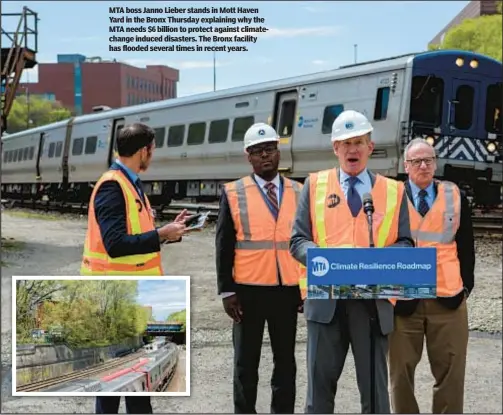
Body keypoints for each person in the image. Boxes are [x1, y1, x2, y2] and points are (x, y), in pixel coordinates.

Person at [289, 110, 414, 414]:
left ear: (370, 147)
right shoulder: (314, 185)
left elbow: (407, 243)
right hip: (326, 302)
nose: (352, 149)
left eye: (358, 142)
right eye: (345, 143)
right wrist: (324, 259)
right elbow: (297, 241)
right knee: (318, 393)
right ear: (335, 148)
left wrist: (378, 262)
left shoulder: (393, 191)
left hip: (372, 303)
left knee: (375, 394)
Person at [80, 123, 188, 414]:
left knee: (136, 382)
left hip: (130, 298)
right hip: (112, 300)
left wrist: (167, 233)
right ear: (144, 151)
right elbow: (115, 244)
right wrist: (161, 233)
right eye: (152, 151)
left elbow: (134, 240)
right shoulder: (113, 186)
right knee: (114, 384)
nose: (152, 157)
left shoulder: (129, 184)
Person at [215, 123, 304, 414]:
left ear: (279, 152)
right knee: (245, 362)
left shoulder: (299, 192)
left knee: (285, 362)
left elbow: (307, 241)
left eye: (269, 149)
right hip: (246, 293)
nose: (264, 156)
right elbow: (224, 244)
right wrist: (227, 291)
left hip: (287, 291)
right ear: (248, 157)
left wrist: (305, 286)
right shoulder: (233, 192)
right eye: (257, 152)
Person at [388, 138, 475, 414]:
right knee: (399, 375)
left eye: (428, 160)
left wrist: (465, 287)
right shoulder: (391, 198)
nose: (423, 166)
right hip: (404, 300)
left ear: (435, 163)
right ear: (406, 166)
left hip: (447, 299)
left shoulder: (454, 195)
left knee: (451, 374)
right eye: (416, 161)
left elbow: (466, 247)